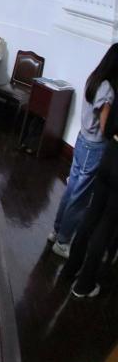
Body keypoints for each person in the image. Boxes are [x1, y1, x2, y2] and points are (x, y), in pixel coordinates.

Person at [49, 44, 118, 258]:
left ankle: (57, 231)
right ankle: (62, 241)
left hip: (81, 140)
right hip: (94, 146)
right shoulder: (107, 88)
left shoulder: (94, 78)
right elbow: (106, 127)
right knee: (80, 196)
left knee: (71, 190)